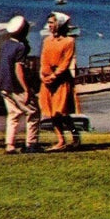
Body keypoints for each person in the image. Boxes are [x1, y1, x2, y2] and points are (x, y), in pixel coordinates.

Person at [0, 15, 41, 154]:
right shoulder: (20, 48)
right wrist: (27, 89)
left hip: (3, 84)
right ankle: (31, 144)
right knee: (33, 112)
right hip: (15, 85)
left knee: (13, 114)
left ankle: (10, 145)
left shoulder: (6, 45)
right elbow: (18, 69)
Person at [38, 11, 80, 151]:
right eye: (49, 23)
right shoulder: (47, 40)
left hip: (61, 81)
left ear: (59, 24)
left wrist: (54, 76)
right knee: (52, 113)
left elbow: (65, 62)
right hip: (48, 81)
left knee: (61, 112)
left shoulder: (69, 41)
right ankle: (61, 140)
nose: (49, 25)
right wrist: (43, 75)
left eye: (52, 23)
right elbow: (43, 59)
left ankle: (75, 137)